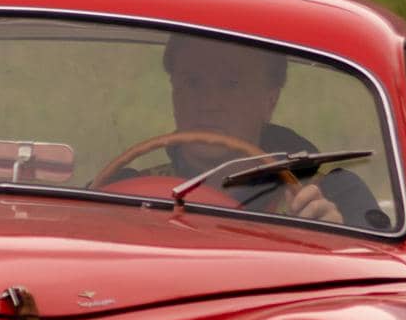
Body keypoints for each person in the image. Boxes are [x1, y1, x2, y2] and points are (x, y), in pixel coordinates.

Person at [163, 34, 380, 227]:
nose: (209, 104)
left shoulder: (336, 194)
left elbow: (376, 266)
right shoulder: (132, 188)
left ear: (270, 101)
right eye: (192, 82)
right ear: (174, 94)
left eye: (231, 84)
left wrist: (334, 240)